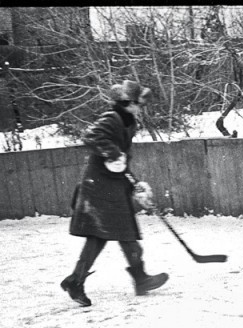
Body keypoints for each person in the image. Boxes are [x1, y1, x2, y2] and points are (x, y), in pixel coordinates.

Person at [61, 80, 168, 307]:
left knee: (117, 233)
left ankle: (137, 278)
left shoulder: (127, 122)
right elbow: (91, 137)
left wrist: (134, 184)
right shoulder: (112, 118)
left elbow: (121, 160)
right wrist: (112, 154)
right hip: (100, 189)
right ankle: (82, 280)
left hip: (111, 187)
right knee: (107, 235)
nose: (141, 109)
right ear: (128, 103)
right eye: (138, 104)